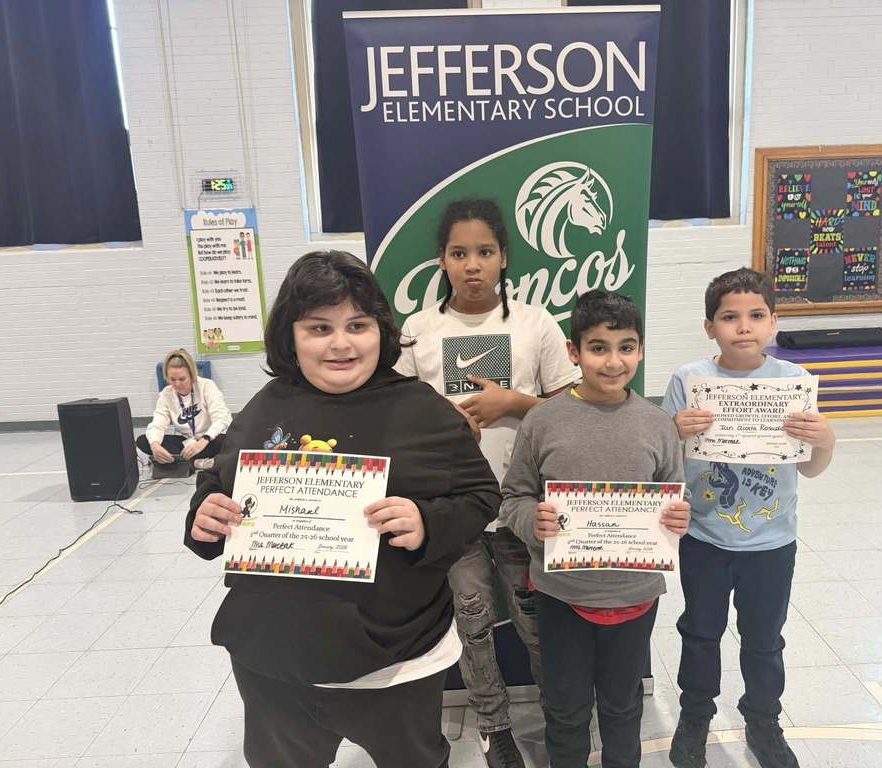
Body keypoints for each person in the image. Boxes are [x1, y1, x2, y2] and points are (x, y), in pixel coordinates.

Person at [184, 251, 500, 768]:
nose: (340, 343)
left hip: (394, 661)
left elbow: (482, 496)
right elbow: (220, 483)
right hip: (274, 659)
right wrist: (205, 516)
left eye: (358, 324)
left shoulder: (422, 410)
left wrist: (427, 524)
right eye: (319, 327)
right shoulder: (267, 404)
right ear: (291, 336)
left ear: (381, 330)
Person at [395, 198, 579, 768]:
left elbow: (573, 407)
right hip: (452, 510)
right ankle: (494, 727)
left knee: (537, 625)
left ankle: (560, 718)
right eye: (458, 253)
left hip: (524, 506)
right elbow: (398, 419)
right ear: (441, 262)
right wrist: (445, 428)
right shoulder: (418, 331)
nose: (472, 264)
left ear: (503, 258)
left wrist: (514, 403)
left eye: (484, 252)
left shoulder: (535, 323)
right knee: (472, 625)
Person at [499, 290, 691, 768]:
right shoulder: (542, 421)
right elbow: (514, 497)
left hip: (634, 594)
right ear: (573, 351)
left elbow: (674, 494)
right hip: (561, 595)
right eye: (598, 348)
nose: (613, 362)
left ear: (641, 350)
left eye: (626, 347)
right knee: (565, 711)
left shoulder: (658, 425)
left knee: (623, 708)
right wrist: (532, 521)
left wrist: (678, 519)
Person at [661, 268, 836, 768]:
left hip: (772, 542)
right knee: (699, 632)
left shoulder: (795, 382)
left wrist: (826, 440)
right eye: (730, 317)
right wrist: (674, 430)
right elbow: (665, 463)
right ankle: (695, 717)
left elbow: (812, 467)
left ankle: (763, 721)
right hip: (704, 537)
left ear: (774, 322)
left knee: (764, 640)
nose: (744, 327)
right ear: (709, 326)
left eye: (756, 315)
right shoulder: (689, 380)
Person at [137, 348, 231, 470]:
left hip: (210, 440)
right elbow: (157, 424)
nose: (177, 384)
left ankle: (184, 462)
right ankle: (196, 462)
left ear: (192, 376)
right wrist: (155, 446)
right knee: (143, 440)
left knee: (228, 441)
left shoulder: (207, 386)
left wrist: (204, 440)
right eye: (172, 380)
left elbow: (222, 419)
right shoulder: (166, 395)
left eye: (182, 379)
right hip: (188, 443)